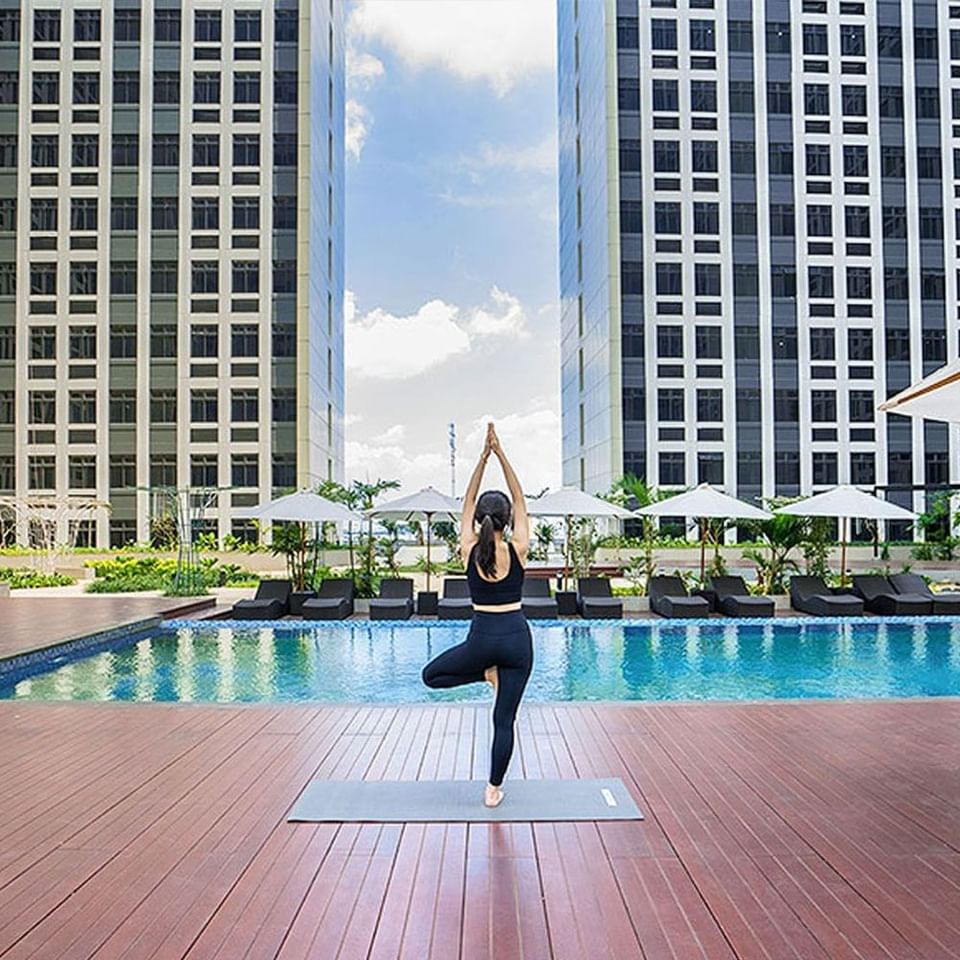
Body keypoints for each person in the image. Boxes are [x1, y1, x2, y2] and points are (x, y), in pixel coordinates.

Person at [421, 421, 533, 807]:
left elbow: (465, 503)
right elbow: (520, 499)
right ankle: (493, 789)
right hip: (518, 642)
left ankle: (484, 673)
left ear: (480, 520)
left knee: (431, 677)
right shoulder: (519, 547)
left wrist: (482, 458)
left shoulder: (468, 547)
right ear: (506, 521)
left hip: (482, 642)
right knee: (504, 721)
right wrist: (501, 453)